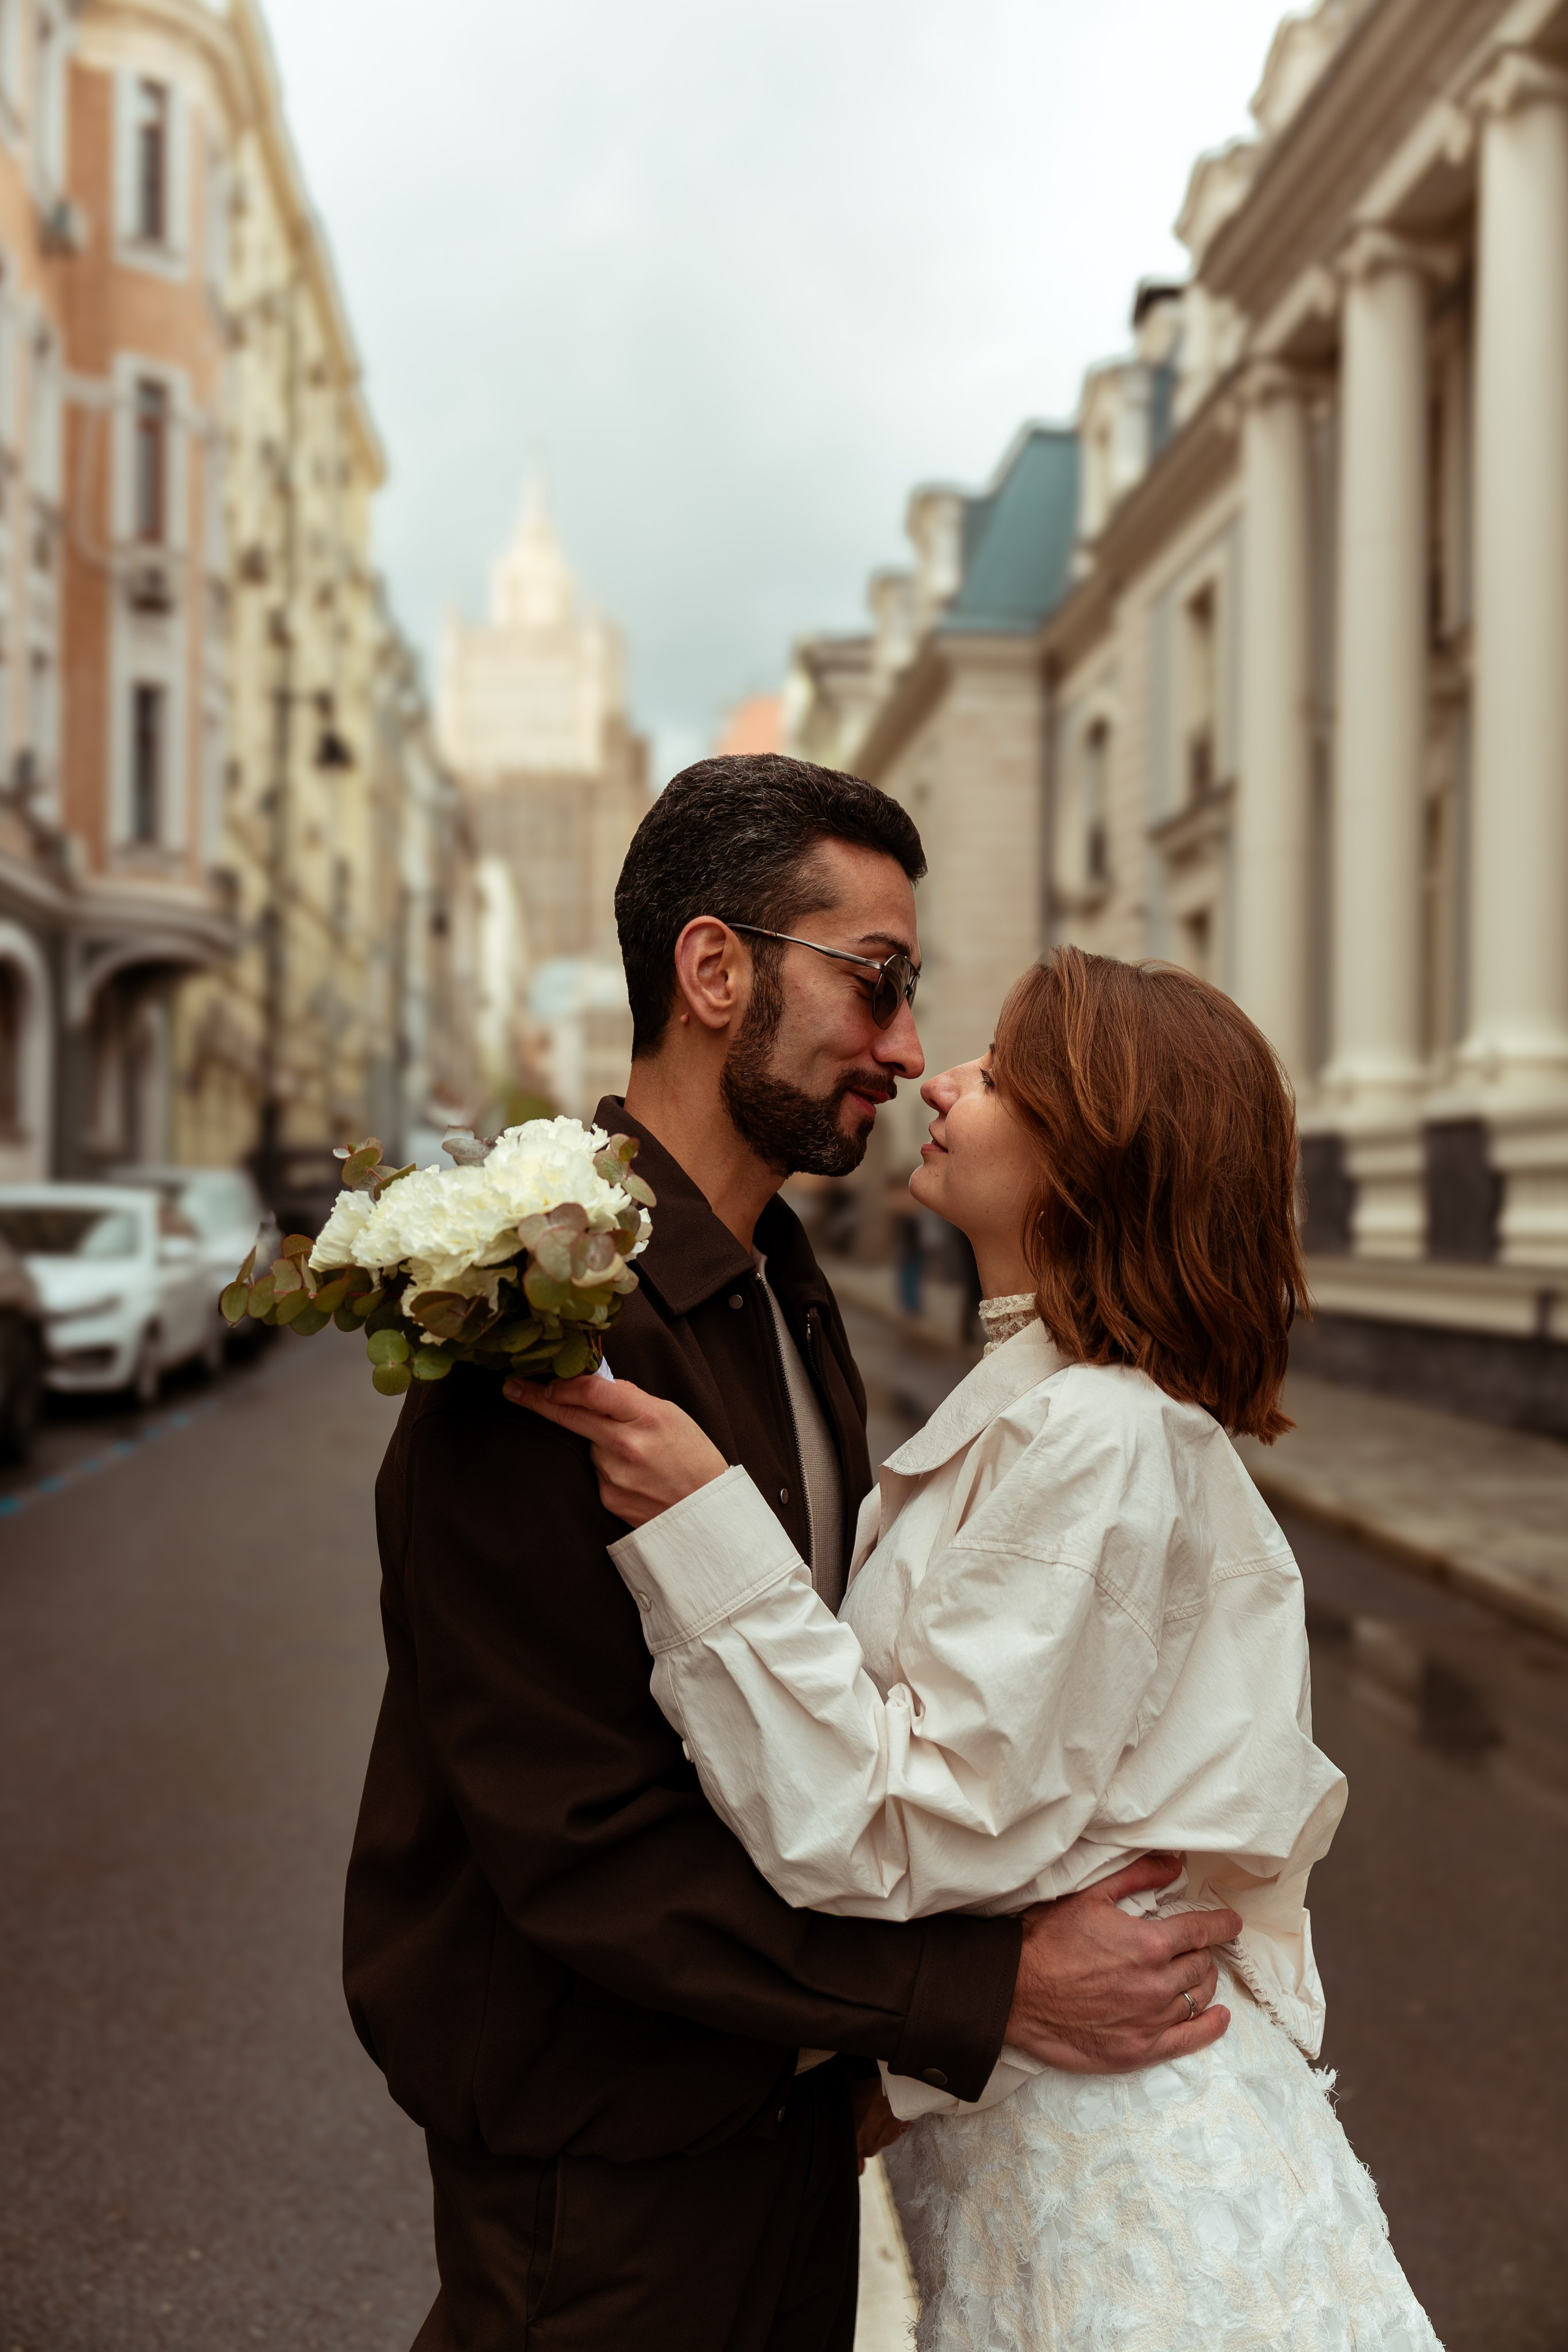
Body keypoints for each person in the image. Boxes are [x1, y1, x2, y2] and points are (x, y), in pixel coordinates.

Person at [343, 757, 1244, 2352]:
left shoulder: (780, 1284)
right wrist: (981, 1998)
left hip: (777, 2118)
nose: (906, 1052)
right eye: (878, 986)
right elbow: (582, 1839)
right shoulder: (551, 1339)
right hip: (605, 2156)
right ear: (714, 972)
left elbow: (845, 1719)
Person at [511, 946, 1444, 2351]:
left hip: (1126, 2192)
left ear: (1094, 1149)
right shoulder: (1068, 1410)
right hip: (1060, 2146)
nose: (939, 1077)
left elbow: (901, 1822)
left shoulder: (1099, 1435)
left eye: (1000, 1072)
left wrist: (705, 1525)